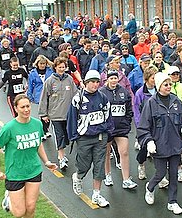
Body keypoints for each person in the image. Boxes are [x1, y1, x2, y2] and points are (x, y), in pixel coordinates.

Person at [0, 94, 57, 217]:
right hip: (15, 173)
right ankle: (8, 200)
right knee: (19, 212)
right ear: (16, 109)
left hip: (33, 170)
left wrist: (47, 162)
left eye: (28, 106)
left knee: (30, 207)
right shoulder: (9, 128)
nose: (26, 110)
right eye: (22, 107)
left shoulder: (37, 124)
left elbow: (38, 143)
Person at [137, 72, 182, 215]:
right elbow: (143, 127)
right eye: (165, 84)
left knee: (173, 174)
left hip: (175, 145)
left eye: (170, 84)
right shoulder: (151, 103)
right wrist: (149, 142)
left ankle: (172, 201)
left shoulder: (176, 101)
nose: (168, 86)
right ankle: (150, 187)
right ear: (159, 86)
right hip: (159, 146)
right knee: (160, 173)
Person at [66, 70, 113, 207]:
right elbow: (72, 118)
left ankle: (97, 194)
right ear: (86, 82)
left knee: (99, 166)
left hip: (100, 137)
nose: (95, 84)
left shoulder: (103, 97)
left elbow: (108, 115)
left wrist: (108, 132)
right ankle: (78, 177)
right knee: (84, 165)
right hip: (84, 138)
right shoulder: (78, 98)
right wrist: (74, 136)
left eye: (97, 82)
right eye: (92, 81)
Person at [100, 69, 137, 189]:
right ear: (107, 79)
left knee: (124, 152)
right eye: (111, 78)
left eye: (115, 78)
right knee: (106, 153)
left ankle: (126, 179)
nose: (114, 80)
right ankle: (107, 175)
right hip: (107, 128)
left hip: (121, 128)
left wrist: (127, 121)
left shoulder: (124, 92)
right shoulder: (102, 92)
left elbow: (128, 108)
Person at [39, 57, 77, 170]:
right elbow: (44, 98)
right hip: (55, 115)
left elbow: (75, 94)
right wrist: (43, 114)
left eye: (63, 67)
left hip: (68, 114)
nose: (62, 69)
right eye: (59, 67)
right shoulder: (49, 81)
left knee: (67, 137)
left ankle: (63, 152)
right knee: (59, 136)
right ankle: (61, 158)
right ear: (55, 67)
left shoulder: (69, 79)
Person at [27, 55, 54, 137]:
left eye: (44, 63)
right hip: (39, 95)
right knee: (43, 113)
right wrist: (29, 96)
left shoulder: (50, 72)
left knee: (48, 113)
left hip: (49, 94)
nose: (42, 65)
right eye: (41, 64)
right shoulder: (33, 73)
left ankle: (45, 130)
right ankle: (43, 131)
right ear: (37, 64)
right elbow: (30, 85)